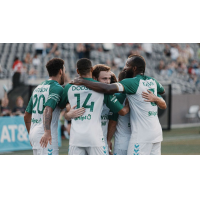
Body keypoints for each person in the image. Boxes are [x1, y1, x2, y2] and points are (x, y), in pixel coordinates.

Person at [71, 55, 167, 155]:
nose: (124, 68)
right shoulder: (152, 81)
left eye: (127, 65)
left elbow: (107, 89)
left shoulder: (131, 82)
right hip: (156, 133)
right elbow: (163, 90)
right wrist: (156, 98)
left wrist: (84, 81)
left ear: (134, 68)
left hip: (141, 136)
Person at [59, 58, 129, 155]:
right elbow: (122, 111)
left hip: (76, 138)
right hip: (95, 138)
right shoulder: (102, 88)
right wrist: (129, 102)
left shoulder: (69, 86)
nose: (107, 81)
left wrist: (68, 111)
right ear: (92, 70)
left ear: (77, 71)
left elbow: (60, 106)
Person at [24, 58, 66, 155]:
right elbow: (47, 109)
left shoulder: (38, 88)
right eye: (64, 71)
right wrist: (47, 131)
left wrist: (31, 134)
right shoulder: (57, 88)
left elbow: (26, 114)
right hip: (45, 135)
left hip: (35, 133)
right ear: (60, 71)